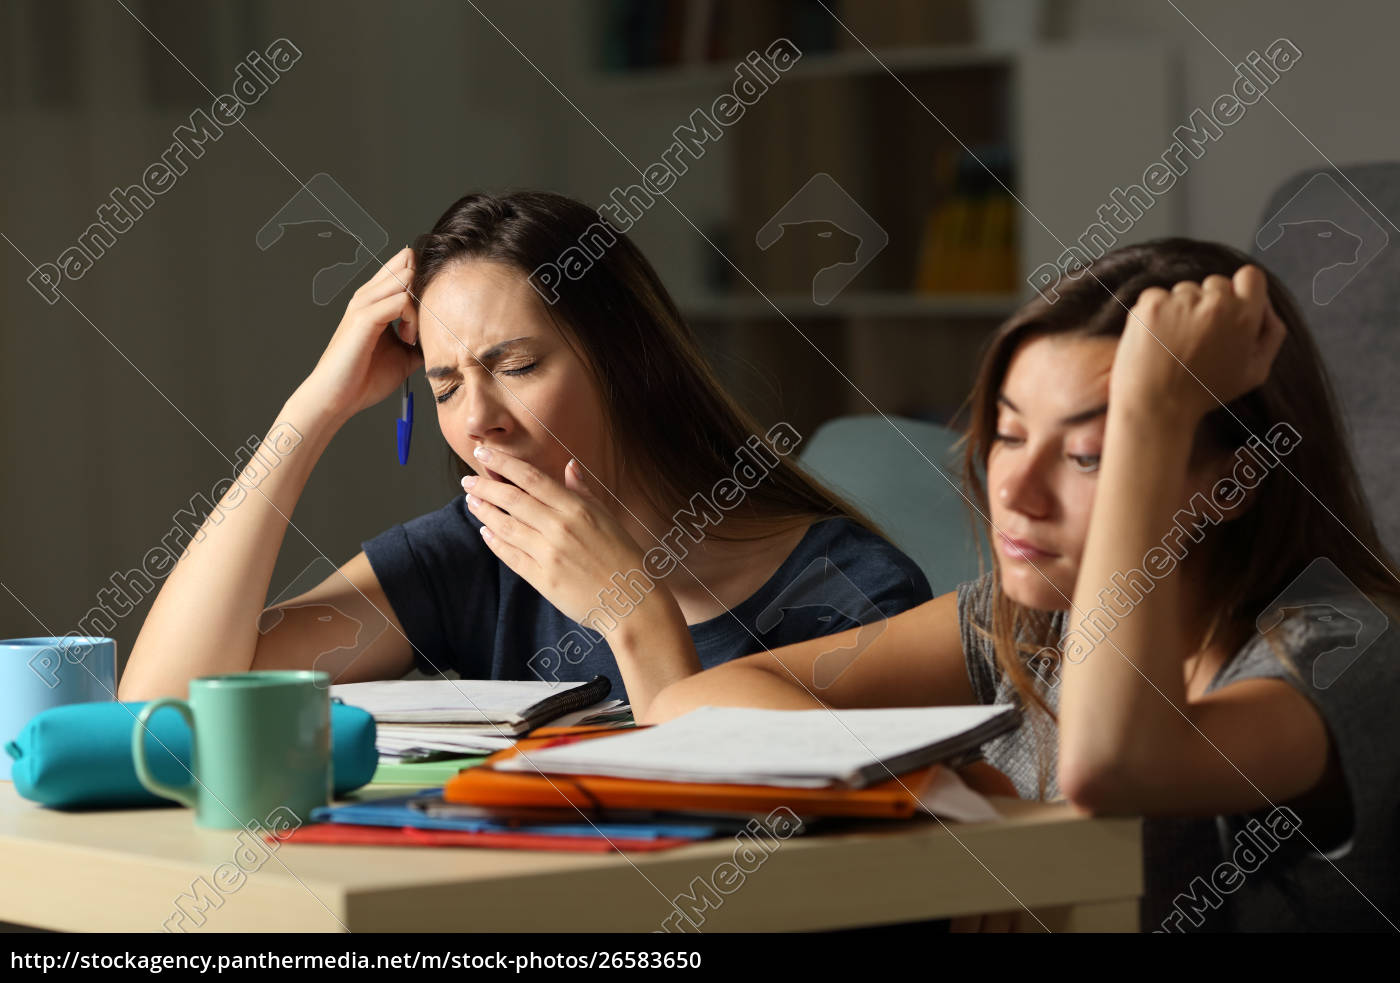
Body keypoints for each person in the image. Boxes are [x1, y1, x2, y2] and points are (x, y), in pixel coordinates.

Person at [646, 239, 1400, 932]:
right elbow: (697, 699)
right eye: (1008, 433)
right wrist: (939, 786)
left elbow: (1114, 765)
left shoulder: (1342, 649)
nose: (1016, 490)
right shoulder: (1028, 623)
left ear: (1234, 480)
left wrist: (1151, 412)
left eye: (1088, 452)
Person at [117, 191, 931, 716]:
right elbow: (163, 704)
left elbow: (751, 851)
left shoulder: (850, 588)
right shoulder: (476, 556)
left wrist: (628, 611)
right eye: (442, 387)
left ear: (627, 360)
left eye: (516, 366)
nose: (478, 420)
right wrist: (312, 410)